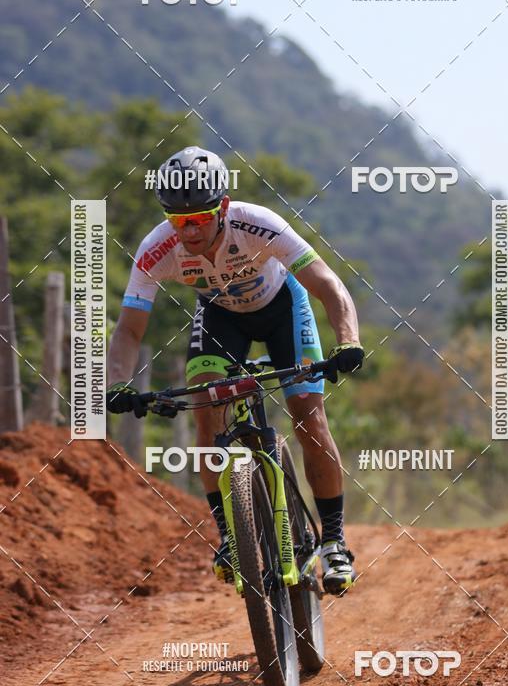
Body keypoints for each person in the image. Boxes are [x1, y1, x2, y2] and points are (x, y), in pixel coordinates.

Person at [106, 146, 364, 595]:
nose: (188, 230)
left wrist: (348, 339)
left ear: (222, 207)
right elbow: (129, 330)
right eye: (177, 220)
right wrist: (116, 384)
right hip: (220, 317)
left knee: (307, 413)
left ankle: (334, 540)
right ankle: (230, 535)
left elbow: (327, 283)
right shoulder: (155, 250)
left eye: (199, 218)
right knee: (207, 406)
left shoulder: (256, 223)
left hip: (283, 309)